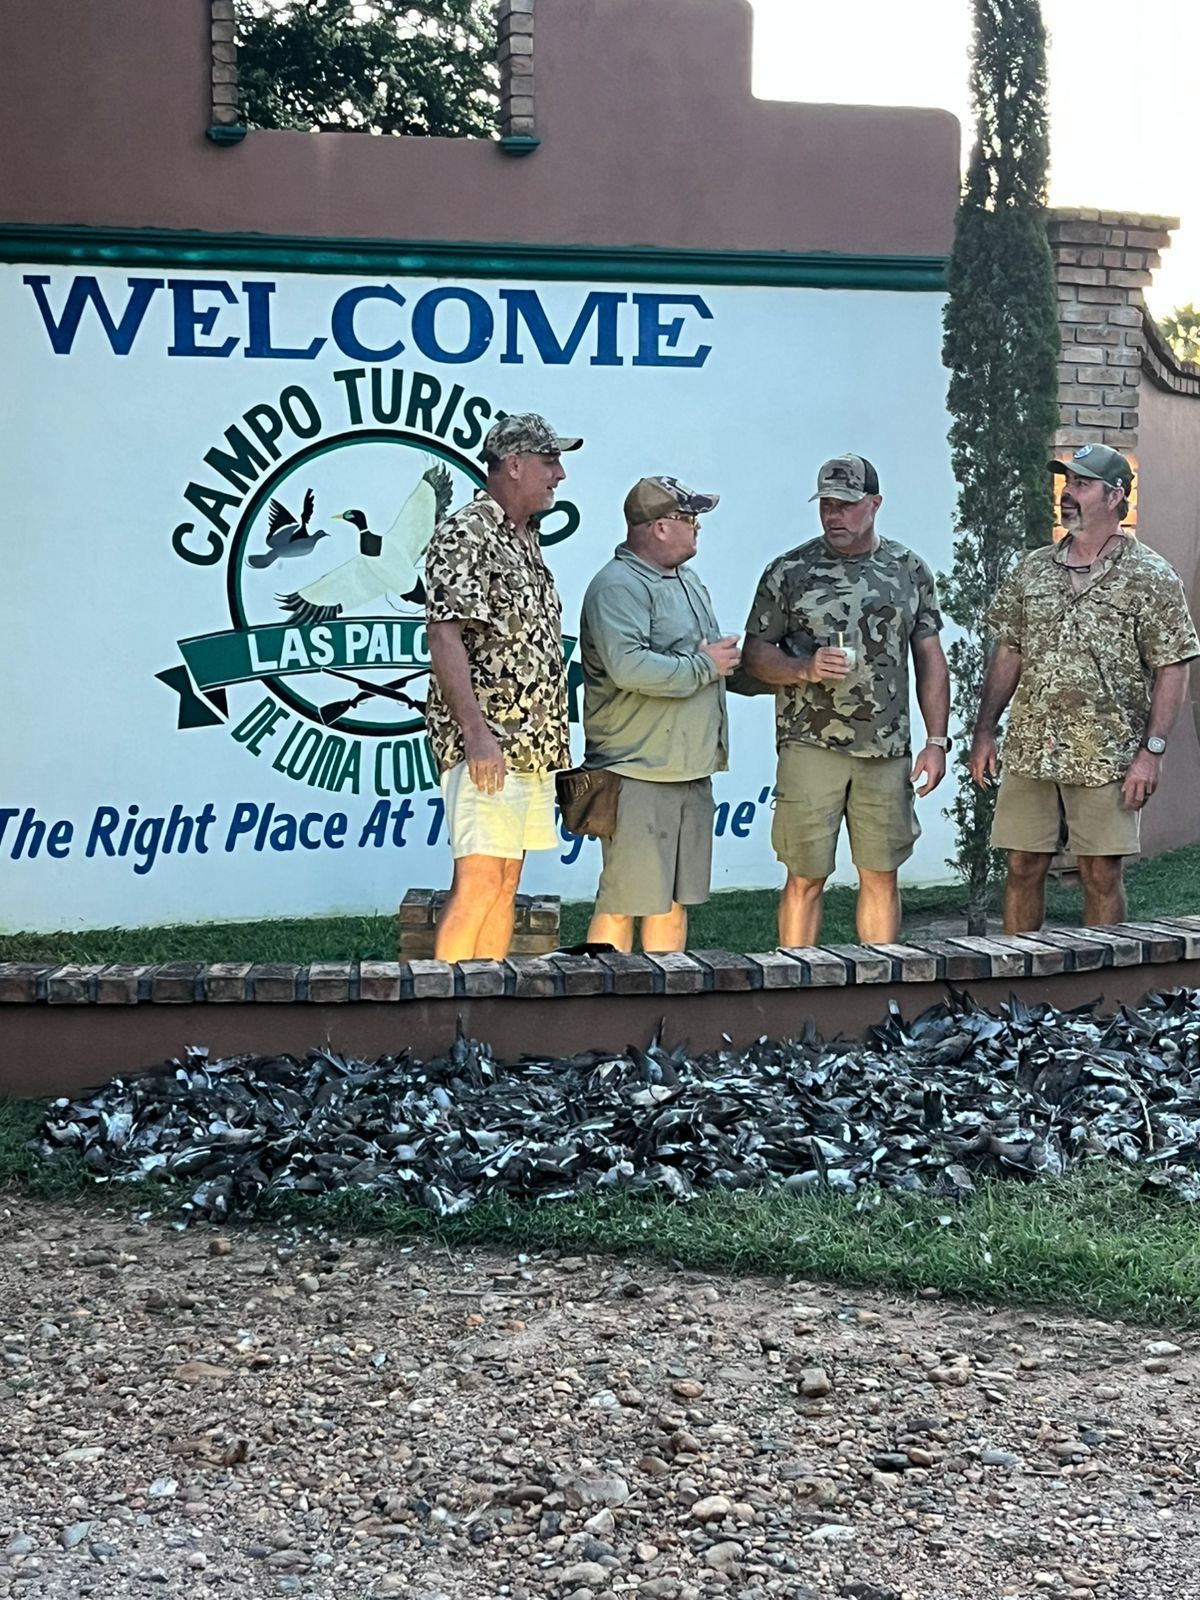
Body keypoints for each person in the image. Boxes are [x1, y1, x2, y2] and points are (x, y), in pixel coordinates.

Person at [970, 443, 1199, 932]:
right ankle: (1019, 987)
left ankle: (1105, 1000)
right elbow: (1009, 650)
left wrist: (1151, 752)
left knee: (1100, 874)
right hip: (1032, 748)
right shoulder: (1032, 568)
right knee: (1022, 867)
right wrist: (984, 731)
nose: (1068, 494)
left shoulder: (1152, 577)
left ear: (1116, 496)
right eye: (1066, 483)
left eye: (1082, 484)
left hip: (1107, 754)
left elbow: (1173, 668)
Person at [742, 453, 950, 946]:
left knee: (880, 875)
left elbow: (930, 660)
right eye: (827, 505)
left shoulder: (909, 569)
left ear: (875, 504)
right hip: (810, 745)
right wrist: (804, 668)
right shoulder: (791, 570)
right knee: (805, 877)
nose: (834, 515)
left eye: (847, 505)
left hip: (884, 749)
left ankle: (879, 996)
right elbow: (754, 653)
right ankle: (795, 985)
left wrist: (936, 741)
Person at [424, 412, 582, 961]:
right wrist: (476, 735)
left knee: (506, 885)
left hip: (530, 747)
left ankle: (482, 1010)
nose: (559, 475)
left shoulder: (524, 537)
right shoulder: (467, 533)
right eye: (549, 461)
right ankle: (441, 1019)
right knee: (478, 883)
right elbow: (445, 637)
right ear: (514, 465)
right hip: (489, 743)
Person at [579, 476, 740, 953]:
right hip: (636, 771)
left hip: (686, 769)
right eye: (689, 519)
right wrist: (704, 665)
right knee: (623, 901)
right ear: (661, 527)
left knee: (671, 901)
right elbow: (628, 667)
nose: (697, 530)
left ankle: (661, 1016)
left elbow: (702, 662)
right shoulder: (617, 586)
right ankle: (602, 1016)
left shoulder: (687, 580)